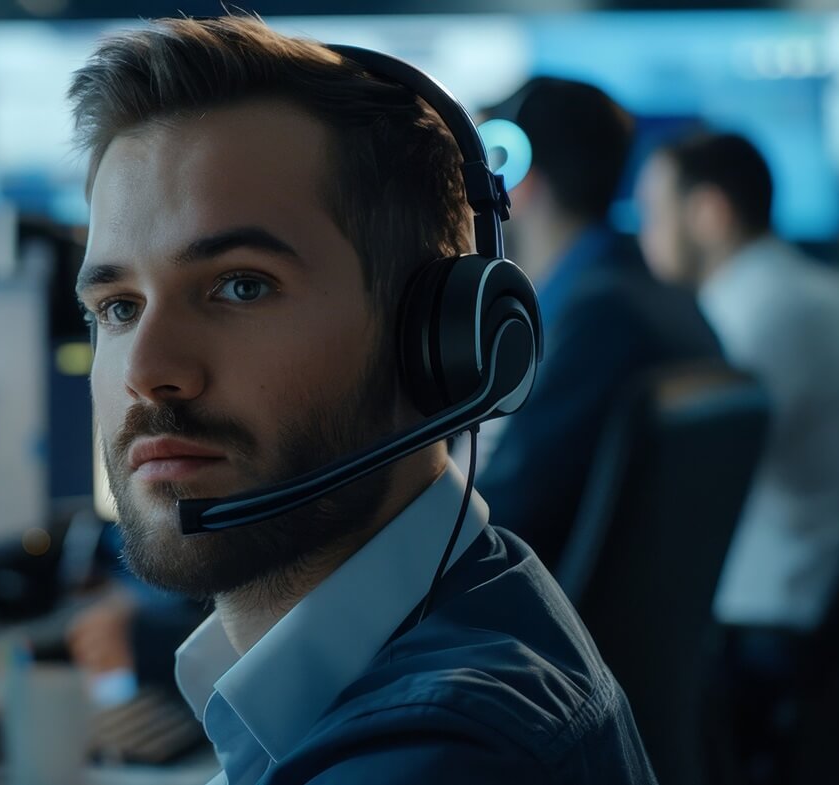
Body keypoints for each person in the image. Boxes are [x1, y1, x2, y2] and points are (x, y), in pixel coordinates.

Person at [70, 15, 655, 784]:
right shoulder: (470, 605)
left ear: (438, 344)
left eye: (240, 285)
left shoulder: (442, 755)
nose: (147, 370)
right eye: (118, 306)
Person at [637, 132, 839, 783]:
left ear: (711, 212)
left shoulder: (749, 318)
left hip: (767, 631)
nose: (645, 233)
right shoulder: (810, 292)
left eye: (654, 211)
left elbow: (679, 489)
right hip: (825, 612)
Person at [473, 78, 721, 571]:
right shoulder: (657, 294)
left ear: (516, 181)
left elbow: (501, 516)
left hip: (533, 633)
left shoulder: (599, 316)